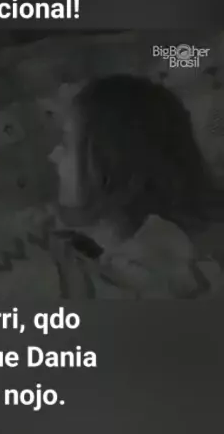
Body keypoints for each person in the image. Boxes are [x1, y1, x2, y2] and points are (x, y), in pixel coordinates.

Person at [48, 74, 224, 298]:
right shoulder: (115, 248)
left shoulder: (161, 266)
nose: (53, 156)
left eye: (66, 143)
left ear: (109, 160)